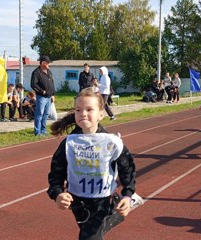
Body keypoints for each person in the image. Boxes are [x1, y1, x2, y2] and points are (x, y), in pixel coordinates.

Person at [47, 88, 136, 240]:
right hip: (77, 202)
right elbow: (56, 172)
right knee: (90, 232)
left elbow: (127, 168)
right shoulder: (69, 143)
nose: (83, 113)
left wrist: (127, 195)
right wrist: (57, 194)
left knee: (89, 237)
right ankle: (113, 217)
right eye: (78, 110)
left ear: (101, 114)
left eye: (89, 109)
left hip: (102, 200)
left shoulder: (111, 142)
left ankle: (111, 213)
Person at [31, 55, 55, 136]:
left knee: (46, 114)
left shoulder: (49, 71)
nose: (49, 64)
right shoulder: (36, 72)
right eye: (48, 63)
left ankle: (43, 130)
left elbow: (52, 82)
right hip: (41, 97)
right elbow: (33, 84)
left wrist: (53, 94)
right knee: (39, 114)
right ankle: (37, 132)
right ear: (43, 63)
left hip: (49, 97)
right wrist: (42, 91)